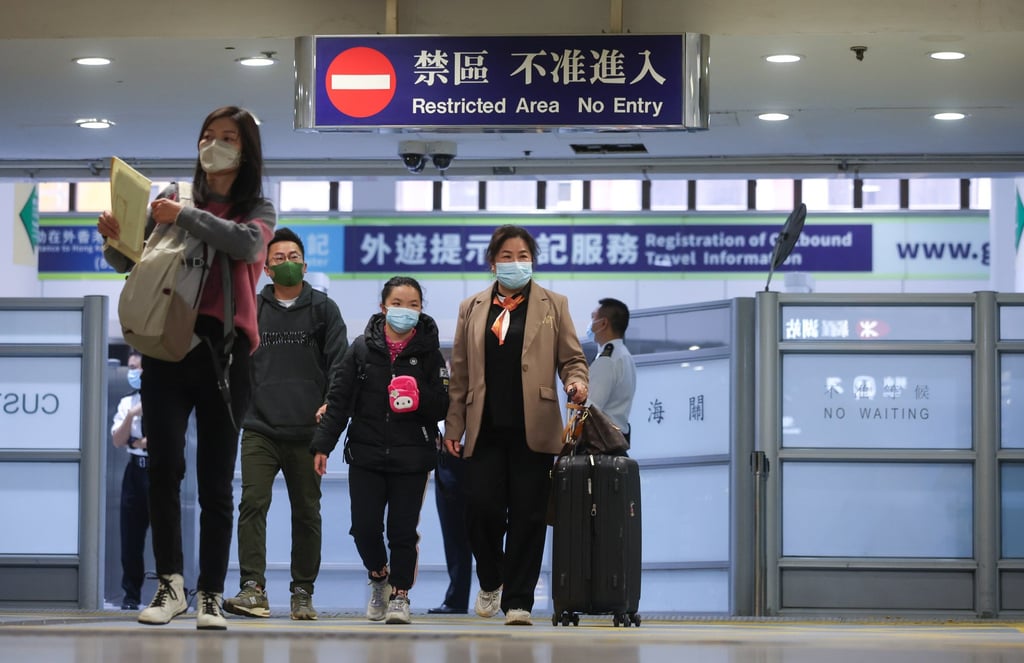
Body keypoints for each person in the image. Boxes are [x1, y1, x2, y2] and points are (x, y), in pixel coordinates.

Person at [98, 106, 277, 630]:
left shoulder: (256, 208)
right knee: (164, 469)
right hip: (165, 345)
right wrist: (114, 238)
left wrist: (181, 216)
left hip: (226, 354)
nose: (214, 144)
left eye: (228, 137)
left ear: (245, 150)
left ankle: (211, 594)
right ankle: (170, 584)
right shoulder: (174, 199)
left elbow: (245, 243)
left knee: (216, 480)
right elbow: (131, 262)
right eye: (208, 135)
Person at [443, 224, 589, 627]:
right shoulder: (472, 307)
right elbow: (460, 373)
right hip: (485, 426)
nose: (515, 263)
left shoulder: (553, 304)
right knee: (480, 509)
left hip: (534, 427)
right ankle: (492, 578)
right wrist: (454, 426)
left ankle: (519, 601)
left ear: (533, 261)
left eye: (523, 256)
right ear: (493, 263)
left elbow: (572, 359)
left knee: (529, 516)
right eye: (506, 256)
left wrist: (576, 382)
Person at [222, 227, 348, 621]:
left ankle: (302, 592)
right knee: (252, 504)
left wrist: (329, 406)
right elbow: (232, 361)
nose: (287, 263)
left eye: (293, 257)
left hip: (308, 431)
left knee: (307, 512)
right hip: (259, 426)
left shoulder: (324, 309)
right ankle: (252, 588)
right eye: (278, 258)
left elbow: (340, 366)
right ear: (266, 268)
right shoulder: (250, 308)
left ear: (305, 266)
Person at [311, 276, 450, 625]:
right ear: (383, 307)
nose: (405, 311)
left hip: (412, 456)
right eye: (398, 303)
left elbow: (443, 405)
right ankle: (379, 576)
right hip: (366, 454)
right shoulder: (361, 349)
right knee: (364, 528)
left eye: (413, 305)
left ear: (421, 310)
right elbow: (339, 400)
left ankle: (400, 595)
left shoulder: (429, 353)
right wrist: (322, 445)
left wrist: (419, 394)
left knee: (402, 531)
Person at [111, 350, 150, 611]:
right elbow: (118, 439)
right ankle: (131, 595)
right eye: (130, 368)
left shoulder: (164, 399)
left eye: (136, 368)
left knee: (165, 535)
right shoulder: (127, 402)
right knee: (130, 537)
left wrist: (139, 441)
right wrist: (131, 415)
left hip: (158, 470)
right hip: (133, 471)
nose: (132, 373)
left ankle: (172, 589)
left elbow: (164, 439)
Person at [427, 423, 472, 615]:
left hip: (480, 452)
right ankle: (457, 599)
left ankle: (502, 594)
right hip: (447, 451)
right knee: (453, 531)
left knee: (489, 527)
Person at [584, 298, 637, 443]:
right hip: (617, 439)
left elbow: (589, 410)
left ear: (603, 323)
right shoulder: (624, 355)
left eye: (593, 318)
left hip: (601, 443)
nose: (590, 324)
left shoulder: (606, 361)